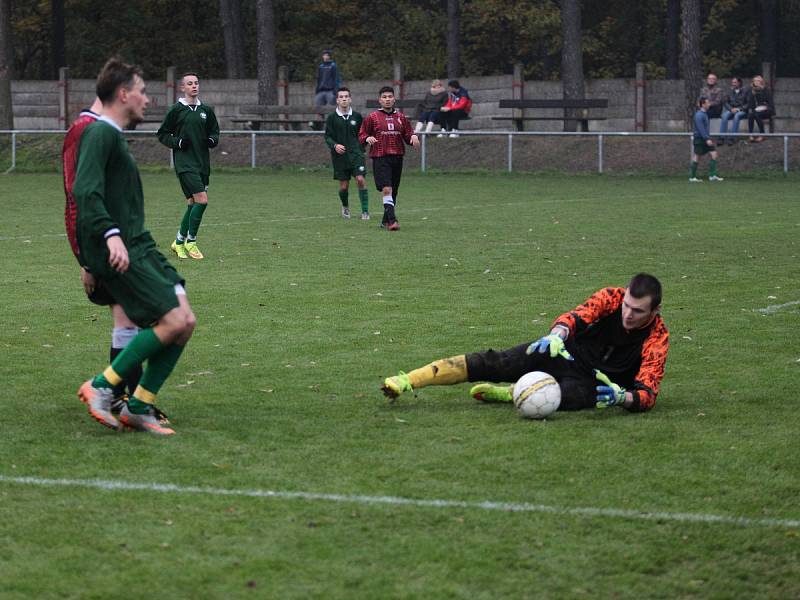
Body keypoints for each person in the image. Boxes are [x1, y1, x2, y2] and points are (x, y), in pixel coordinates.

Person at [74, 57, 196, 435]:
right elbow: (84, 192)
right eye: (142, 92)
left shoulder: (112, 134)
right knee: (172, 320)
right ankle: (102, 386)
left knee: (185, 322)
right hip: (122, 249)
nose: (148, 99)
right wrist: (110, 236)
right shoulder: (100, 133)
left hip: (139, 244)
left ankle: (140, 404)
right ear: (123, 94)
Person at [382, 273, 669, 414]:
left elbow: (648, 394)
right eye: (627, 306)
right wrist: (557, 334)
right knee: (497, 361)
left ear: (654, 312)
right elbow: (576, 317)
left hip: (595, 383)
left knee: (565, 397)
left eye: (638, 311)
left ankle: (511, 394)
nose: (628, 314)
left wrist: (623, 398)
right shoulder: (612, 298)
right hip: (563, 354)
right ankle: (407, 380)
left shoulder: (657, 337)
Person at [63, 97, 160, 423]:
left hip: (119, 240)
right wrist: (85, 260)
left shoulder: (103, 129)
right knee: (135, 320)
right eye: (138, 90)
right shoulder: (85, 130)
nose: (144, 98)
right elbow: (76, 197)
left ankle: (125, 399)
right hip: (102, 245)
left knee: (129, 321)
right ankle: (123, 399)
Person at [157, 72, 220, 260]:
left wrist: (212, 140)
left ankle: (177, 242)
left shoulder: (206, 111)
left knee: (192, 203)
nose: (194, 86)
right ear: (182, 88)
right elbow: (162, 134)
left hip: (202, 163)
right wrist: (177, 143)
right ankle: (191, 241)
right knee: (202, 200)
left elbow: (215, 132)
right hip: (185, 163)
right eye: (190, 83)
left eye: (196, 83)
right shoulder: (176, 110)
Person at [358, 86, 420, 230]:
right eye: (384, 97)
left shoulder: (401, 118)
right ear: (380, 100)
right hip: (380, 157)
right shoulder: (372, 117)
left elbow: (408, 135)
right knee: (387, 189)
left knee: (394, 191)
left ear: (394, 99)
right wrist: (368, 138)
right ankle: (392, 221)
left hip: (397, 157)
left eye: (390, 97)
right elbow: (361, 135)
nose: (387, 99)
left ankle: (385, 221)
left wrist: (413, 138)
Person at [324, 87, 370, 220]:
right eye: (341, 97)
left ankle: (365, 211)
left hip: (356, 155)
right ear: (337, 100)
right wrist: (335, 145)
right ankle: (345, 207)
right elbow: (327, 137)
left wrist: (361, 148)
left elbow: (363, 134)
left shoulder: (357, 116)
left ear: (350, 99)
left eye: (346, 97)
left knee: (360, 180)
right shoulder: (332, 118)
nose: (344, 99)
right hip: (340, 157)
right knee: (344, 186)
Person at [690, 97, 723, 183]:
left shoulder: (705, 114)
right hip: (700, 139)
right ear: (703, 104)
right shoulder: (699, 115)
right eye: (707, 103)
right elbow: (701, 128)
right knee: (697, 156)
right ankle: (692, 177)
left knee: (714, 154)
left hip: (705, 138)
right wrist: (706, 139)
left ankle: (712, 175)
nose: (709, 104)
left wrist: (708, 138)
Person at [719, 76, 749, 145]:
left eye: (735, 82)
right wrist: (731, 109)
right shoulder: (729, 91)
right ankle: (721, 137)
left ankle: (732, 138)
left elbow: (748, 104)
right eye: (732, 82)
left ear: (739, 83)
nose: (733, 84)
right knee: (724, 116)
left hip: (742, 110)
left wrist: (739, 109)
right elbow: (725, 102)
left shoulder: (745, 91)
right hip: (731, 109)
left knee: (737, 116)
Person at [747, 75, 775, 143]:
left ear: (761, 82)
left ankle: (762, 135)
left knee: (757, 115)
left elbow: (770, 104)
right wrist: (752, 94)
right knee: (750, 115)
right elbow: (750, 104)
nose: (755, 82)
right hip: (757, 109)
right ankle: (750, 134)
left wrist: (764, 107)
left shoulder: (766, 90)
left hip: (767, 109)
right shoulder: (753, 90)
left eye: (757, 81)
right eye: (754, 81)